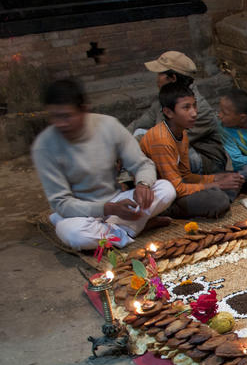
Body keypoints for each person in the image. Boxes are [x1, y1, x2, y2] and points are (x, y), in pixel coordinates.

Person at [33, 78, 175, 251]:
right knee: (74, 235)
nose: (60, 123)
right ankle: (133, 228)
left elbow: (142, 164)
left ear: (84, 110)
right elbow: (62, 204)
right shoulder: (44, 146)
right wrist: (107, 209)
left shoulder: (108, 125)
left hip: (117, 201)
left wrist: (143, 184)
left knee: (166, 189)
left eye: (66, 116)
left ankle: (117, 230)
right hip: (78, 214)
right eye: (54, 117)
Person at [140, 82, 245, 219]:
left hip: (178, 187)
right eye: (186, 108)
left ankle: (210, 201)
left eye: (194, 105)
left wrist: (217, 178)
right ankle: (164, 213)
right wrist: (217, 184)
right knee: (218, 199)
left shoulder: (181, 133)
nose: (194, 113)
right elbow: (176, 189)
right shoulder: (161, 140)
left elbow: (186, 176)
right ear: (168, 112)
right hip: (163, 195)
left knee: (234, 179)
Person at [126, 51, 225, 174]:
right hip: (171, 148)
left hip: (205, 162)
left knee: (151, 148)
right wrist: (118, 141)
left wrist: (129, 148)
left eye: (160, 75)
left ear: (172, 78)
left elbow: (167, 141)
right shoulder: (164, 99)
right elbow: (139, 124)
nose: (157, 79)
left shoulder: (197, 108)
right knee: (138, 132)